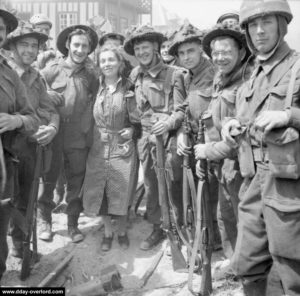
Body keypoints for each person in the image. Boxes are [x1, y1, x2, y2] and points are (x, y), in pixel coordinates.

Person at [221, 0, 300, 295]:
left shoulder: (297, 67)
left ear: (281, 25)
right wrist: (232, 125)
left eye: (266, 22)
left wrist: (288, 115)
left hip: (287, 185)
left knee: (290, 266)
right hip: (252, 179)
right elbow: (247, 117)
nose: (259, 31)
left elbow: (283, 114)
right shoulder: (251, 73)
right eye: (252, 25)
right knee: (248, 261)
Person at [124, 25, 186, 251]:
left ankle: (178, 228)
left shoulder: (175, 74)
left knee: (172, 185)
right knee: (150, 185)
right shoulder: (135, 75)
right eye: (138, 48)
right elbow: (133, 108)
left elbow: (181, 109)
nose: (142, 52)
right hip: (145, 140)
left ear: (157, 48)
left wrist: (168, 123)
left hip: (168, 140)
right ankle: (158, 228)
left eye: (146, 47)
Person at [193, 23, 251, 262]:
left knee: (244, 220)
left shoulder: (246, 84)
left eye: (226, 52)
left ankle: (249, 271)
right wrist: (206, 155)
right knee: (225, 217)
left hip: (241, 168)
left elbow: (240, 138)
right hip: (223, 166)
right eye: (215, 53)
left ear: (241, 52)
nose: (220, 57)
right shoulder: (220, 79)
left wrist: (208, 151)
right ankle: (235, 264)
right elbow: (214, 123)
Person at [38, 25, 99, 243]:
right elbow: (33, 89)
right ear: (68, 45)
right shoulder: (52, 69)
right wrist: (45, 93)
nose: (80, 50)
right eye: (76, 45)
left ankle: (72, 224)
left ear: (89, 48)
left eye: (85, 46)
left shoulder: (91, 75)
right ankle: (45, 221)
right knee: (48, 178)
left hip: (78, 136)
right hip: (54, 134)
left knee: (76, 180)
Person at [3, 22, 59, 257]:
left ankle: (20, 246)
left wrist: (53, 128)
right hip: (6, 150)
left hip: (29, 149)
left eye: (34, 45)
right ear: (12, 46)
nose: (29, 50)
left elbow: (48, 109)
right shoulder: (5, 72)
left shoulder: (37, 77)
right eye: (23, 44)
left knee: (26, 200)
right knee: (8, 202)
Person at [83, 45, 140, 251]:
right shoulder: (94, 86)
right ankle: (107, 232)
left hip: (122, 147)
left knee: (122, 189)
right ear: (99, 64)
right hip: (99, 146)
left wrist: (133, 130)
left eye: (111, 60)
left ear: (119, 63)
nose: (107, 64)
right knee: (102, 192)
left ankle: (122, 230)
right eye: (103, 60)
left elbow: (138, 117)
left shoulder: (129, 87)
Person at [170, 22, 222, 250]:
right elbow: (183, 107)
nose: (186, 57)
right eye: (181, 53)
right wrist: (180, 131)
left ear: (201, 49)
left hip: (213, 143)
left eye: (191, 50)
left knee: (216, 196)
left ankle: (218, 243)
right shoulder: (187, 77)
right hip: (193, 141)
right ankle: (207, 238)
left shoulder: (216, 74)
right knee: (200, 194)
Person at [0, 9, 39, 283]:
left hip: (3, 164)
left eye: (1, 29)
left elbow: (32, 118)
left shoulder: (9, 75)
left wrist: (16, 120)